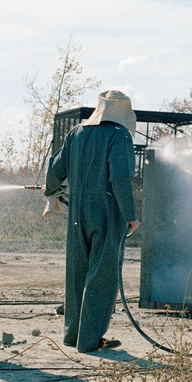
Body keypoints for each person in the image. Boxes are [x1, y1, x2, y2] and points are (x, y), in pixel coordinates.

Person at [44, 89, 140, 353]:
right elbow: (120, 178)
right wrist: (130, 216)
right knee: (102, 275)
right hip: (108, 212)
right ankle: (89, 340)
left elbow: (55, 171)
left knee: (76, 272)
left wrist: (49, 189)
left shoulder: (76, 133)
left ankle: (72, 335)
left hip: (77, 214)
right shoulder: (119, 135)